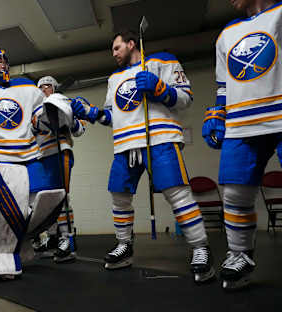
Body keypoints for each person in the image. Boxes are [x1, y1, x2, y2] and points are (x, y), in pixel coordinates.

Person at [71, 30, 214, 283]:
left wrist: (160, 89)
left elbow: (185, 98)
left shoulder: (163, 61)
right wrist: (92, 113)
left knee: (178, 195)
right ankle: (124, 245)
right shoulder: (114, 78)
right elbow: (112, 116)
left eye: (117, 48)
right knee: (119, 196)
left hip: (160, 140)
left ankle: (201, 248)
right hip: (125, 145)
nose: (113, 53)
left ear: (130, 43)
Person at [0, 47, 65, 279]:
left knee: (45, 202)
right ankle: (0, 254)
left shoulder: (27, 87)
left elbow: (40, 120)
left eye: (4, 61)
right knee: (12, 208)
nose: (2, 65)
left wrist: (55, 113)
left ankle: (20, 240)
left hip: (30, 154)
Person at [202, 0, 280, 290]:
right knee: (234, 192)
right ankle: (240, 255)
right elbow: (224, 86)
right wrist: (216, 115)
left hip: (280, 113)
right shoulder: (226, 34)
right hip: (241, 122)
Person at [33, 75, 87, 262]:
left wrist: (66, 116)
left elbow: (80, 130)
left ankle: (67, 239)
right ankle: (53, 237)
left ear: (54, 88)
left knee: (62, 197)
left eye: (46, 86)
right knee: (46, 200)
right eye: (39, 87)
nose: (43, 89)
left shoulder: (65, 102)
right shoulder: (35, 107)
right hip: (41, 156)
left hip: (60, 152)